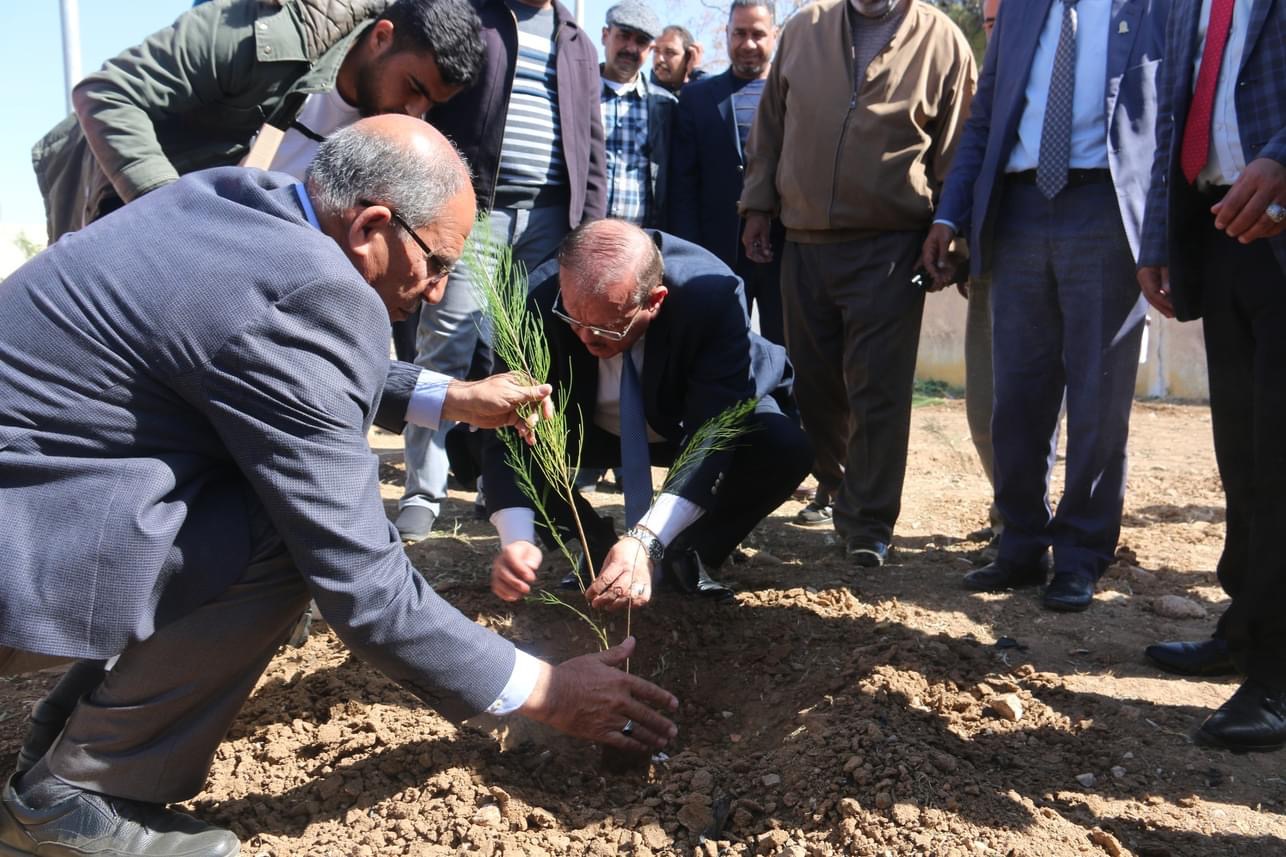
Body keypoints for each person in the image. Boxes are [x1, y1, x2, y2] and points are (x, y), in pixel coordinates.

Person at [0, 117, 678, 856]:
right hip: (22, 546)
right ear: (372, 227)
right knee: (287, 530)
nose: (437, 290)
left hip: (38, 493)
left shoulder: (232, 202)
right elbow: (367, 588)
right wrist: (548, 690)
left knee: (254, 500)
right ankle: (81, 795)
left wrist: (452, 396)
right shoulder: (318, 293)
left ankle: (66, 741)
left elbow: (253, 345)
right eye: (437, 262)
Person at [31, 0, 483, 365]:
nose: (414, 112)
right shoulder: (266, 36)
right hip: (124, 204)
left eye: (430, 103)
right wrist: (175, 212)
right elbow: (108, 93)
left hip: (220, 253)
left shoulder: (386, 132)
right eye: (413, 87)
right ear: (381, 37)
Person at [922, 0, 1168, 611]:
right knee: (1017, 397)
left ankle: (1080, 555)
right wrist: (950, 214)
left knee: (1097, 398)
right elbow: (984, 120)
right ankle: (1021, 543)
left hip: (1106, 211)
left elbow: (1170, 113)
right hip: (1018, 212)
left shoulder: (1150, 7)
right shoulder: (1020, 10)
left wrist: (1165, 232)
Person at [739, 0, 976, 566]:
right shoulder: (804, 28)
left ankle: (869, 522)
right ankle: (837, 485)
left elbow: (960, 148)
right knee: (815, 384)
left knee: (879, 387)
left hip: (891, 244)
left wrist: (954, 233)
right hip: (805, 240)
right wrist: (758, 205)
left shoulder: (943, 40)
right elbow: (771, 126)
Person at [485, 220, 813, 612]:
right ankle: (594, 548)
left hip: (685, 418)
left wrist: (647, 541)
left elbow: (712, 433)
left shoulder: (709, 295)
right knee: (497, 425)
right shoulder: (533, 301)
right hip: (586, 425)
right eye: (574, 318)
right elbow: (506, 428)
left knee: (783, 446)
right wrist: (517, 539)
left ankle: (684, 553)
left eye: (608, 326)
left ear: (655, 301)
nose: (586, 337)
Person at [397, 0, 607, 543]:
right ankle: (423, 491)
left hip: (550, 216)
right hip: (474, 209)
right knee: (446, 340)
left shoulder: (578, 41)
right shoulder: (476, 15)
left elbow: (592, 143)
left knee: (526, 353)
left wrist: (589, 224)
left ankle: (503, 486)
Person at [1136, 0, 1286, 752]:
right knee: (1244, 456)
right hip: (1222, 232)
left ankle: (1278, 675)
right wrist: (1157, 237)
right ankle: (1246, 627)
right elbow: (1177, 117)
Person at [668, 0, 785, 346]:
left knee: (786, 350)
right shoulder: (696, 98)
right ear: (727, 33)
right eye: (739, 33)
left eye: (758, 34)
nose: (748, 43)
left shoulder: (797, 95)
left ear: (775, 34)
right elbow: (683, 186)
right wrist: (689, 258)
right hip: (717, 255)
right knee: (719, 349)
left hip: (785, 251)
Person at [959, 0, 1005, 562]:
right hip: (987, 264)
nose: (998, 31)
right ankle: (1009, 508)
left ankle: (1026, 517)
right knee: (984, 406)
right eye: (991, 22)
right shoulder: (973, 88)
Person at [599, 1, 676, 228]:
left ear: (650, 49)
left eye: (641, 41)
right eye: (623, 36)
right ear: (605, 35)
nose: (631, 48)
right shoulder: (576, 92)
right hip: (580, 234)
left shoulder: (665, 106)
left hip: (641, 237)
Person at [650, 25, 706, 93]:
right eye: (656, 51)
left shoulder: (699, 95)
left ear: (689, 57)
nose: (660, 59)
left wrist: (696, 73)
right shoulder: (641, 96)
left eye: (670, 52)